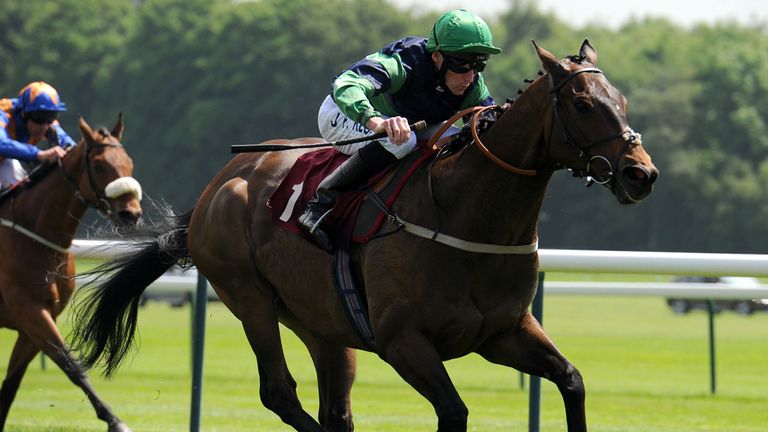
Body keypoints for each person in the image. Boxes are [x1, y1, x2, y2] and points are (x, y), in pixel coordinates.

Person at [297, 9, 502, 252]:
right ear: (437, 57)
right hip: (343, 113)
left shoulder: (472, 84)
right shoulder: (405, 61)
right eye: (462, 65)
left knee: (456, 142)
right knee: (402, 142)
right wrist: (375, 121)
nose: (470, 76)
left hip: (410, 124)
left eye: (479, 65)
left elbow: (488, 121)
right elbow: (347, 84)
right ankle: (321, 201)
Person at [0, 81, 75, 188]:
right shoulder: (3, 113)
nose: (44, 126)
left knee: (15, 177)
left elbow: (69, 143)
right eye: (39, 117)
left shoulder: (48, 123)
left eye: (51, 117)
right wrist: (38, 154)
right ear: (23, 113)